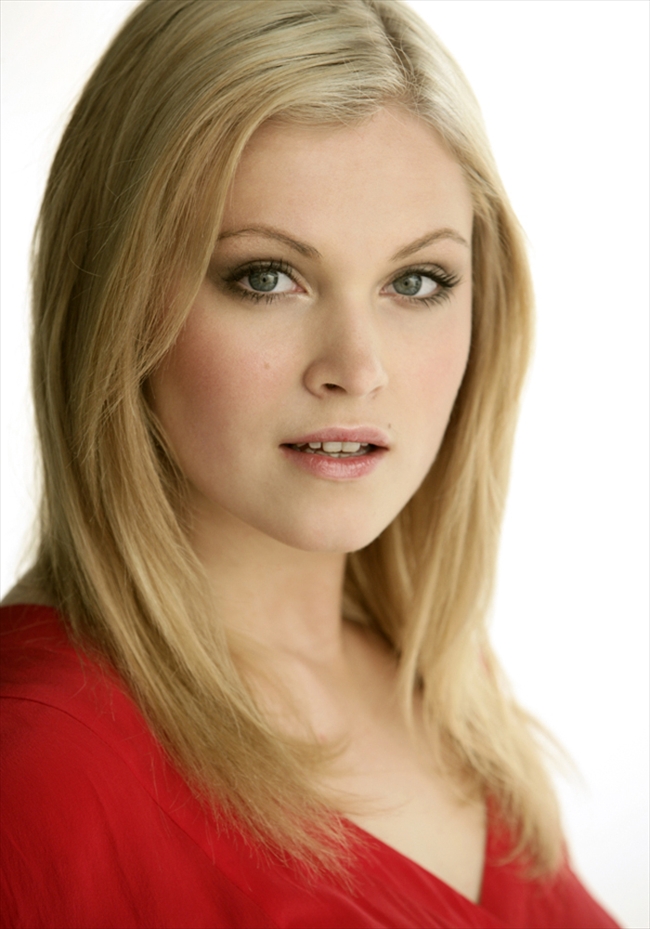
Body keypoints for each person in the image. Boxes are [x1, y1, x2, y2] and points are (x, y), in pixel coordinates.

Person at [0, 1, 620, 927]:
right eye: (266, 277)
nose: (357, 369)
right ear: (116, 300)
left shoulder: (444, 688)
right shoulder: (37, 773)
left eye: (417, 281)